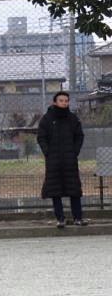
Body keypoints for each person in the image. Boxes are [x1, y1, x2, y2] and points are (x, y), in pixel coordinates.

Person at [37, 91, 87, 228]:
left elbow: (79, 136)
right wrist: (47, 152)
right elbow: (41, 137)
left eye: (66, 100)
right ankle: (60, 219)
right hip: (54, 161)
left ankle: (78, 218)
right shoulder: (47, 119)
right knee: (55, 191)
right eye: (61, 100)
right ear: (55, 102)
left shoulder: (73, 119)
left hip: (70, 161)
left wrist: (74, 152)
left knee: (74, 190)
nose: (64, 103)